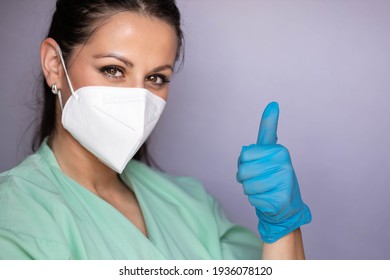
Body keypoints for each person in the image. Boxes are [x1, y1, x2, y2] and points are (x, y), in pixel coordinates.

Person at [0, 0, 311, 260]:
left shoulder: (190, 205)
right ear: (54, 64)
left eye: (156, 78)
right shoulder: (15, 214)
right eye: (114, 70)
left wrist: (282, 226)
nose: (138, 98)